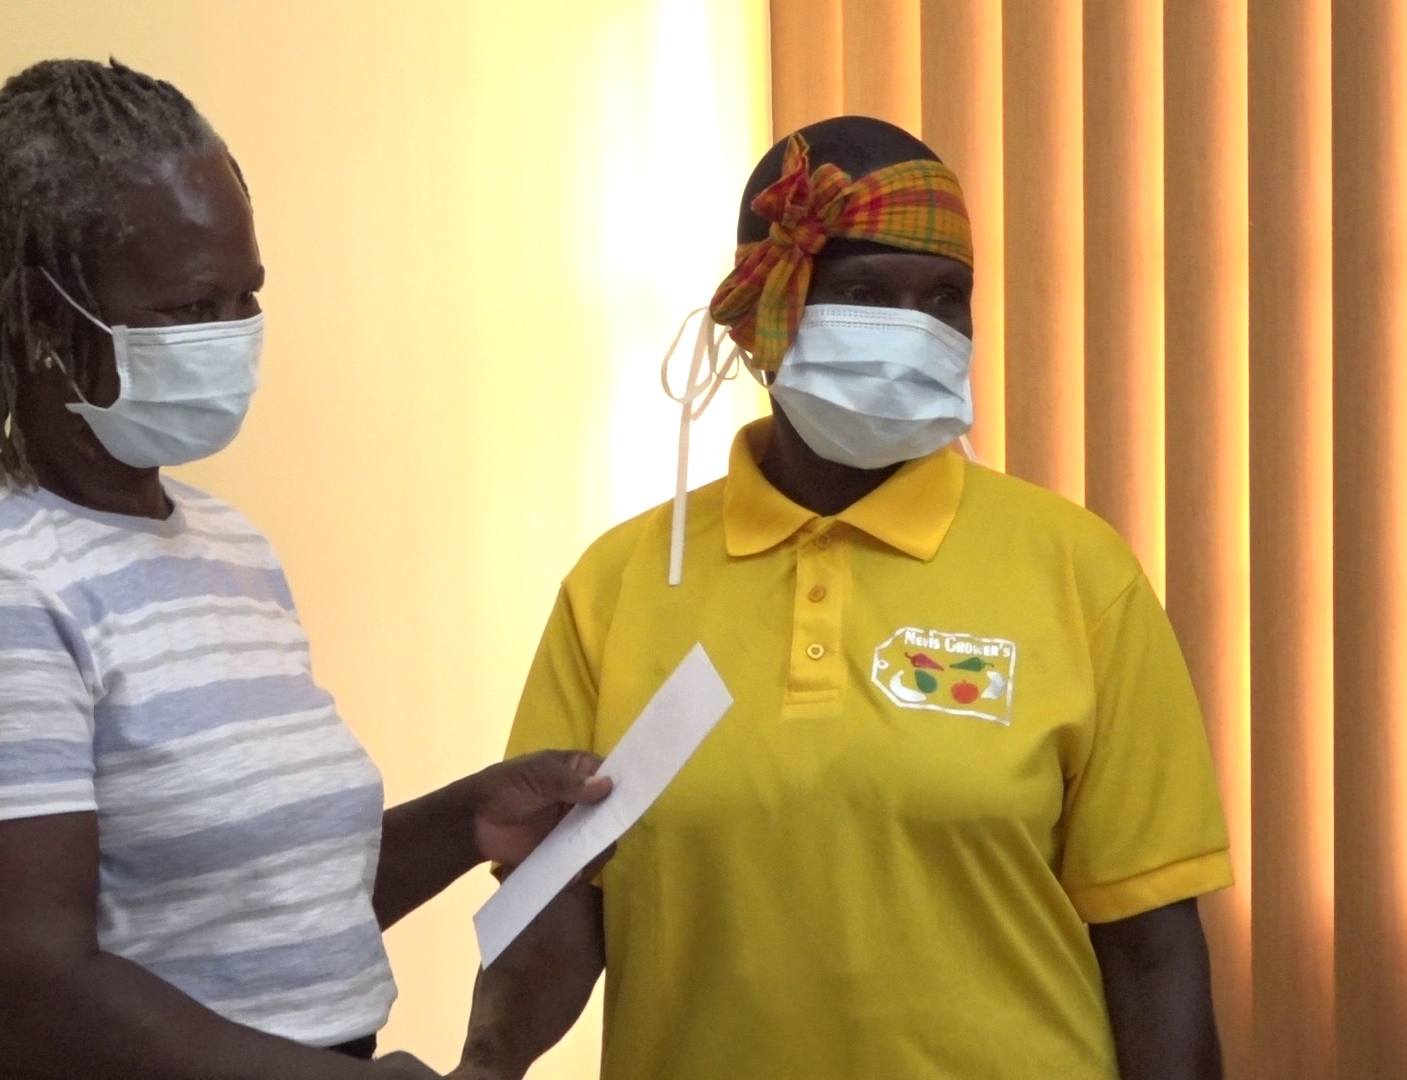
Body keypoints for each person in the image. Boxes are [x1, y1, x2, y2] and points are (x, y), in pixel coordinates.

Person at [0, 58, 609, 1080]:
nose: (234, 338)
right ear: (44, 321)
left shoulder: (226, 546)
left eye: (246, 296)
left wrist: (468, 821)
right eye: (188, 308)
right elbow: (20, 998)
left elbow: (257, 913)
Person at [455, 116, 1233, 1080]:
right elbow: (556, 905)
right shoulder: (619, 586)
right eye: (864, 292)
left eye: (944, 298)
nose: (913, 330)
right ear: (758, 313)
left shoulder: (1077, 572)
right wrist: (482, 1068)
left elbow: (1152, 944)